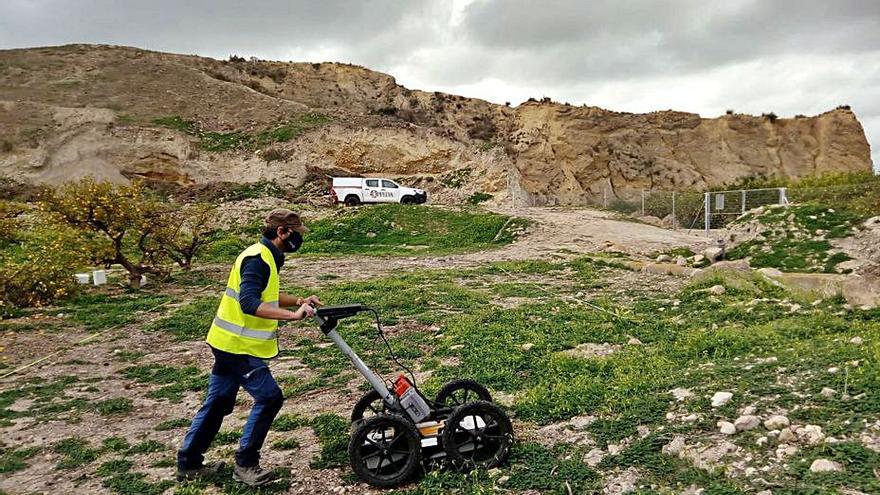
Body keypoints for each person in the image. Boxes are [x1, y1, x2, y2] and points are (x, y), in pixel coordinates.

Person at [176, 208, 322, 487]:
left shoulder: (265, 255)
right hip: (236, 346)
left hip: (226, 342)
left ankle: (189, 464)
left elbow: (268, 294)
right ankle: (246, 463)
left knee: (218, 402)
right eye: (295, 234)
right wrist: (294, 316)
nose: (298, 240)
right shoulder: (257, 258)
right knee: (270, 397)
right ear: (282, 232)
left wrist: (299, 300)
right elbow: (249, 302)